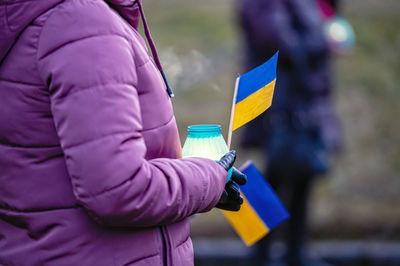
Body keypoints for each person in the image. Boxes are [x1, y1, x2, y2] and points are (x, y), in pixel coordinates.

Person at [0, 0, 246, 265]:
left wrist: (196, 185)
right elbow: (119, 189)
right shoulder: (82, 24)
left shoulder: (60, 20)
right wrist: (208, 177)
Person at [237, 0, 341, 265]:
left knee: (301, 174)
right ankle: (260, 254)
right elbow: (275, 38)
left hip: (300, 96)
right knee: (274, 174)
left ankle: (295, 252)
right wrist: (324, 41)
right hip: (279, 98)